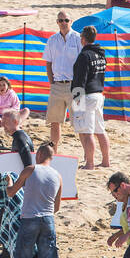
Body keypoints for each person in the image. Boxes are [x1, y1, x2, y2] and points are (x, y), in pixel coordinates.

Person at [6, 143, 61, 258]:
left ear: (39, 155)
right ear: (51, 157)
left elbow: (11, 192)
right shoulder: (57, 176)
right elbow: (56, 207)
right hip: (48, 219)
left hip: (30, 218)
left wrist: (9, 181)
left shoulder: (30, 170)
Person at [69, 24, 109, 169]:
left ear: (83, 39)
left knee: (87, 132)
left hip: (86, 95)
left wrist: (76, 99)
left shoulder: (84, 56)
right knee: (100, 130)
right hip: (99, 94)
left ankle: (90, 163)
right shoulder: (100, 54)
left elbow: (80, 79)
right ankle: (106, 161)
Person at [42, 10, 81, 152]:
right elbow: (48, 62)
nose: (63, 23)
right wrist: (52, 82)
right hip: (57, 85)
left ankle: (87, 157)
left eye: (66, 20)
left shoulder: (78, 38)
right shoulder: (52, 40)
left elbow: (84, 62)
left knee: (81, 122)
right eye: (60, 20)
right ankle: (54, 152)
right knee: (54, 121)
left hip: (75, 85)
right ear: (57, 22)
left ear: (71, 22)